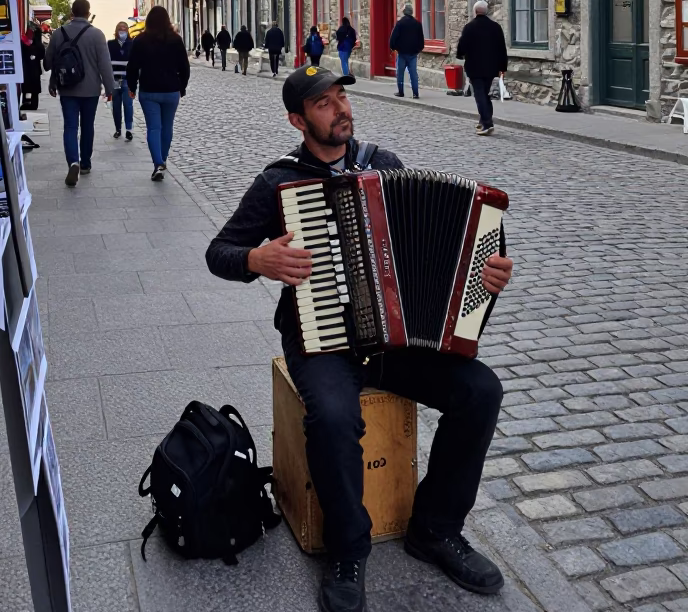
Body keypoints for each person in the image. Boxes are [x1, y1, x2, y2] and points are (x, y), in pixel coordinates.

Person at [205, 66, 514, 612]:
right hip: (322, 340)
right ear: (298, 120)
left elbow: (441, 255)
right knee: (332, 417)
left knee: (481, 392)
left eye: (341, 96)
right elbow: (219, 254)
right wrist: (257, 258)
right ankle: (348, 550)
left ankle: (436, 528)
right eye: (324, 103)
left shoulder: (383, 166)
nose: (341, 108)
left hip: (396, 344)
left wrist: (484, 277)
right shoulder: (278, 182)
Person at [44, 0, 115, 186]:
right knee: (87, 126)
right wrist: (110, 89)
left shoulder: (59, 33)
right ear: (88, 12)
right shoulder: (97, 34)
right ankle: (85, 164)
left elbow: (49, 62)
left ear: (71, 13)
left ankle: (72, 161)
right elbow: (105, 65)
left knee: (70, 127)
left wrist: (52, 81)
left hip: (66, 88)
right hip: (90, 89)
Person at [126, 5, 190, 181]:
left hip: (149, 90)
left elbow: (132, 67)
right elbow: (184, 67)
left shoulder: (140, 41)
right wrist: (182, 87)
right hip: (171, 90)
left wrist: (132, 86)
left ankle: (158, 163)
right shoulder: (176, 40)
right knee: (167, 127)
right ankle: (163, 159)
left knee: (154, 128)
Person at [456, 1, 508, 137]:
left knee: (480, 95)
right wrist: (503, 67)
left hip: (475, 67)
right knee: (484, 93)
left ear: (475, 12)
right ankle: (483, 120)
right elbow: (502, 48)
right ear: (486, 11)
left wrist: (460, 56)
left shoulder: (469, 27)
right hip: (491, 68)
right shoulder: (495, 27)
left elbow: (461, 46)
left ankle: (487, 123)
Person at [389, 3, 425, 99]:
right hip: (413, 53)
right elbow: (421, 40)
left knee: (400, 73)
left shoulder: (400, 23)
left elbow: (393, 38)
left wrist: (393, 48)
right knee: (413, 74)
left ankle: (401, 92)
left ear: (404, 12)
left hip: (402, 52)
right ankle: (415, 93)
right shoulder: (417, 24)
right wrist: (418, 49)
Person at [108, 21, 134, 141]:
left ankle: (129, 129)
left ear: (128, 30)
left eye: (124, 28)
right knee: (116, 106)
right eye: (120, 29)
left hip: (127, 80)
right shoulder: (110, 44)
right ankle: (118, 129)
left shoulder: (132, 44)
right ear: (116, 30)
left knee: (128, 105)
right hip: (114, 79)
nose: (122, 31)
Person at [20, 25, 44, 111]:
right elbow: (42, 55)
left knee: (25, 86)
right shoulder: (39, 45)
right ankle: (34, 104)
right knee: (35, 89)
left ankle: (24, 101)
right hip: (35, 70)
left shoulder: (23, 42)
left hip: (25, 68)